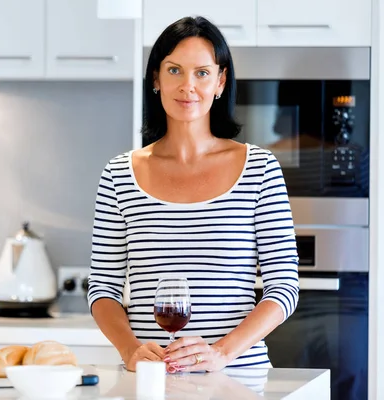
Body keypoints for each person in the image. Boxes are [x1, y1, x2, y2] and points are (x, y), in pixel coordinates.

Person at [86, 16, 300, 374]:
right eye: (174, 70)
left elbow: (283, 287)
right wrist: (130, 350)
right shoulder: (119, 174)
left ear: (220, 81)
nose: (188, 85)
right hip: (152, 379)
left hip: (236, 378)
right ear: (155, 78)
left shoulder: (259, 169)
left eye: (202, 73)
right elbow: (103, 288)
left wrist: (220, 352)